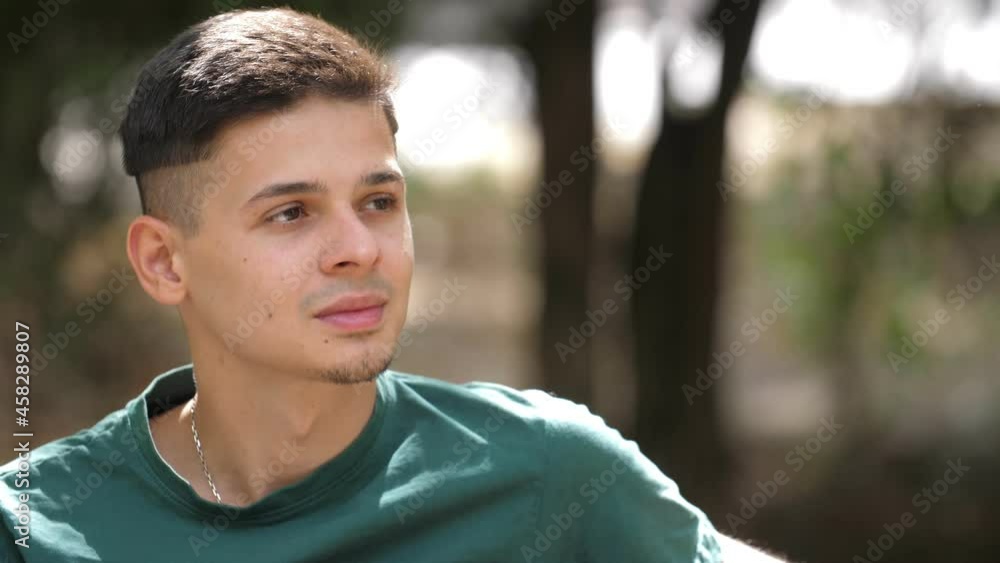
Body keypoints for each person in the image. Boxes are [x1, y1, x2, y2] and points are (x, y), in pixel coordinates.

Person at [1, 8, 785, 562]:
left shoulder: (545, 473)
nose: (358, 249)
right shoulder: (33, 525)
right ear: (164, 263)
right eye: (291, 213)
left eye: (378, 202)